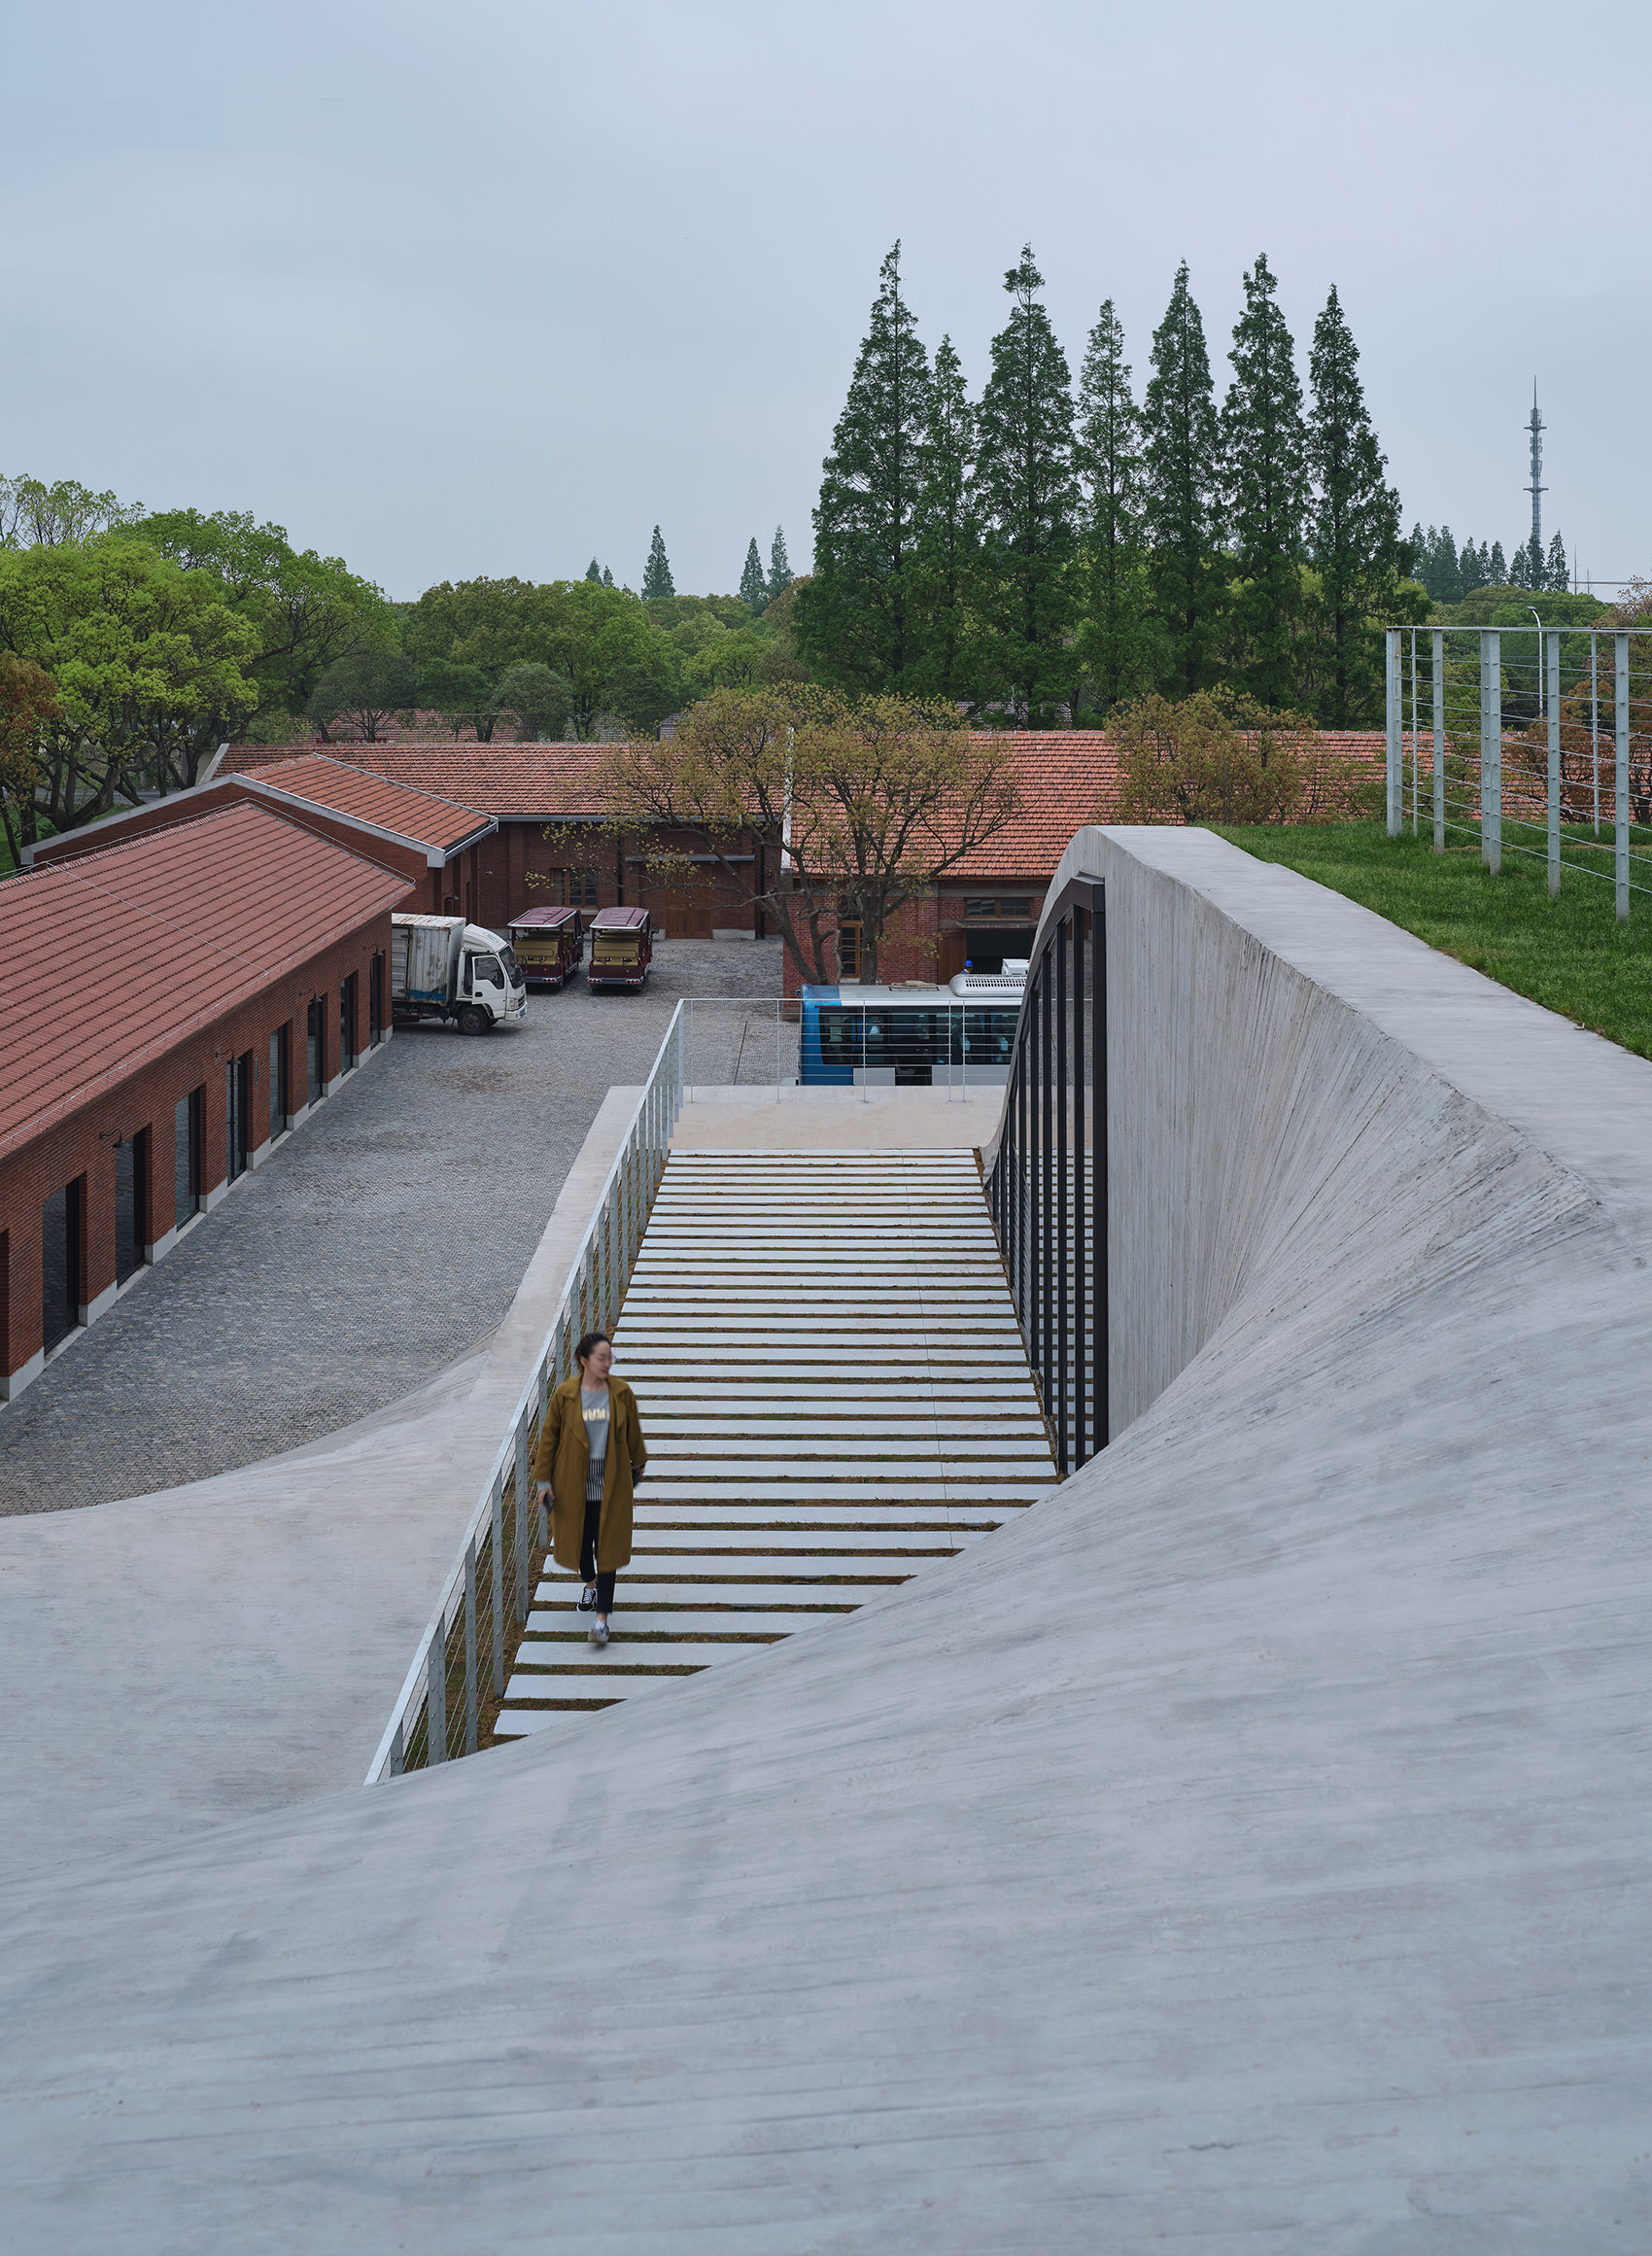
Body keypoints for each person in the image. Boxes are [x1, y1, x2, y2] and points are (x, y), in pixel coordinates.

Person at [532, 1331, 648, 1647]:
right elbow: (548, 1441)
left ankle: (601, 1621)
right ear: (584, 1361)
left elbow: (634, 1436)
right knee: (584, 1552)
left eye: (610, 1357)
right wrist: (544, 1483)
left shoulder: (622, 1394)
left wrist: (639, 1464)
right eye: (601, 1357)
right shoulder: (565, 1395)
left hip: (612, 1487)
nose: (607, 1363)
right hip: (574, 1488)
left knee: (607, 1552)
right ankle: (590, 1583)